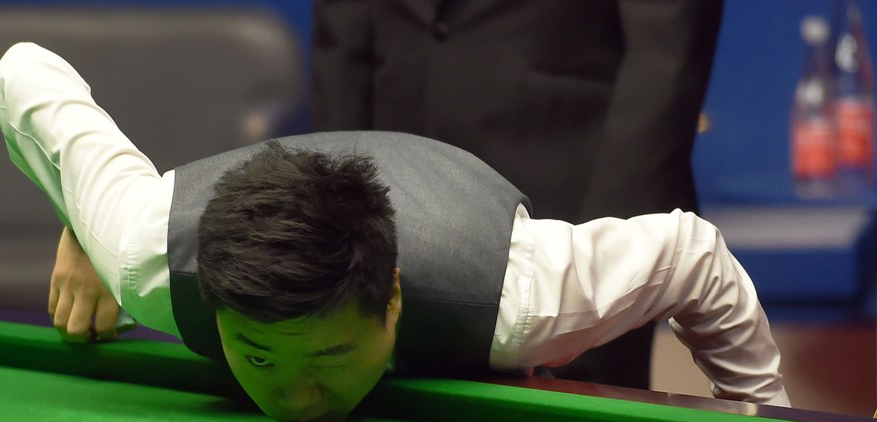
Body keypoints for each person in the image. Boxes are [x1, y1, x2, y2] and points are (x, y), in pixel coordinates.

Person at [0, 42, 788, 422]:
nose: (297, 401)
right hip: (201, 205)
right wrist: (83, 221)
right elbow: (22, 68)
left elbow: (693, 254)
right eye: (260, 357)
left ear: (393, 301)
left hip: (461, 210)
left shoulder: (519, 297)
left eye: (332, 355)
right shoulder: (145, 253)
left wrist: (765, 420)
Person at [311, 0, 725, 390]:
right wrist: (327, 225)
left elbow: (666, 55)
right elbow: (343, 41)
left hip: (567, 209)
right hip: (392, 207)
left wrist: (602, 269)